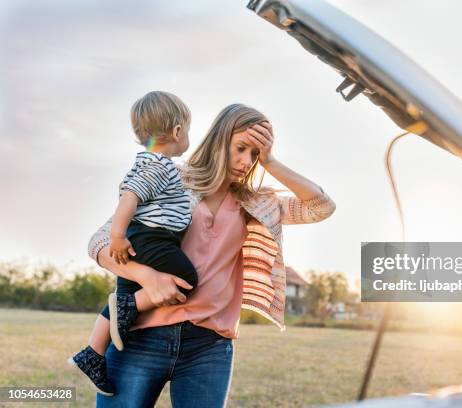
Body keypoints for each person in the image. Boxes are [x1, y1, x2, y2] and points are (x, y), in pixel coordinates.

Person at [86, 103, 336, 407]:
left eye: (255, 155)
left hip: (208, 348)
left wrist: (271, 162)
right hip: (140, 337)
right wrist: (147, 277)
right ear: (220, 140)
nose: (247, 161)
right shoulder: (170, 179)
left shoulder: (256, 204)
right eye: (241, 148)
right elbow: (100, 242)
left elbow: (321, 207)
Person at [69, 91, 197, 396]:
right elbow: (130, 197)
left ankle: (94, 353)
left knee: (122, 294)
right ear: (178, 132)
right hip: (152, 239)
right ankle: (127, 308)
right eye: (188, 130)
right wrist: (117, 236)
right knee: (187, 280)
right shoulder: (159, 166)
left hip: (143, 237)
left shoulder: (146, 162)